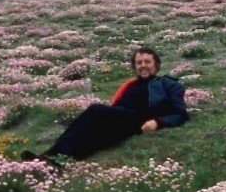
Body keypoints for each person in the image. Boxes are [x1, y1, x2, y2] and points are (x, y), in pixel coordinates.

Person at [21, 47, 189, 164]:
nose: (143, 65)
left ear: (156, 65)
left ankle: (53, 156)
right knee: (92, 134)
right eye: (139, 63)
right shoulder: (129, 85)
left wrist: (157, 122)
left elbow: (181, 114)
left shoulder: (168, 84)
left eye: (147, 62)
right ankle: (52, 159)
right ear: (134, 66)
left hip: (137, 121)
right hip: (119, 117)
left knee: (96, 110)